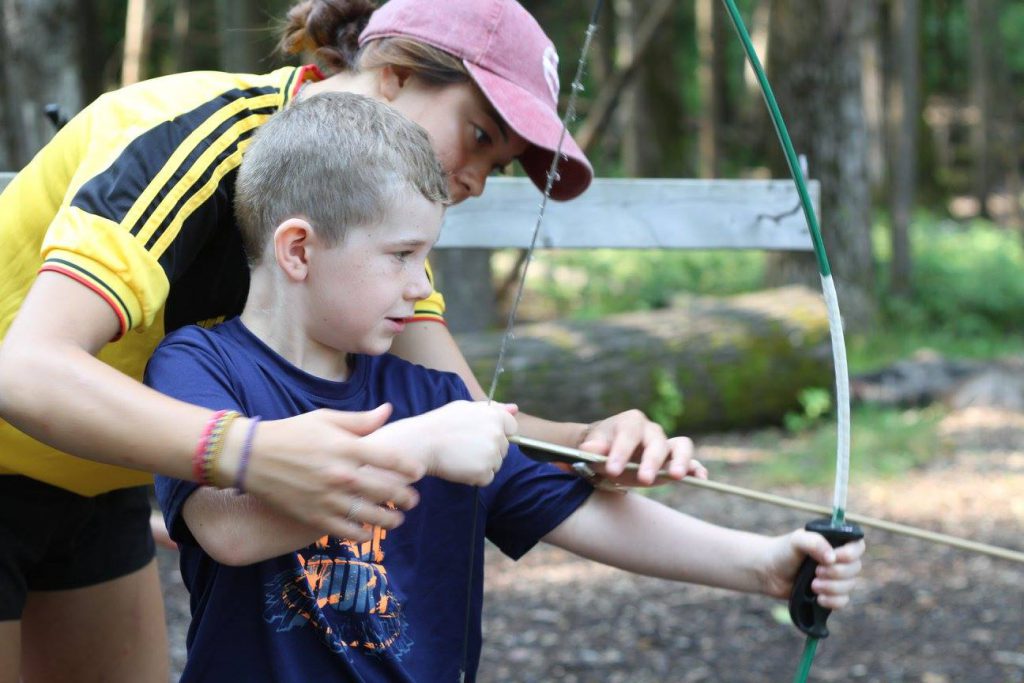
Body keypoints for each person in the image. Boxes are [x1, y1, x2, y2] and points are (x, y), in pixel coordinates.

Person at [0, 1, 698, 679]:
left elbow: (466, 419)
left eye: (501, 163)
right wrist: (250, 452)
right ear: (392, 71)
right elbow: (26, 370)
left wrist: (589, 443)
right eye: (480, 136)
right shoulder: (187, 131)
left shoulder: (374, 251)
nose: (477, 180)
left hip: (98, 472)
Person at [150, 90, 865, 682]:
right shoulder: (200, 366)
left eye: (424, 257)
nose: (418, 285)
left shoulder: (431, 396)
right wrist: (420, 448)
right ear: (299, 249)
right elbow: (229, 527)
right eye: (401, 256)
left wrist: (764, 563)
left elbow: (572, 508)